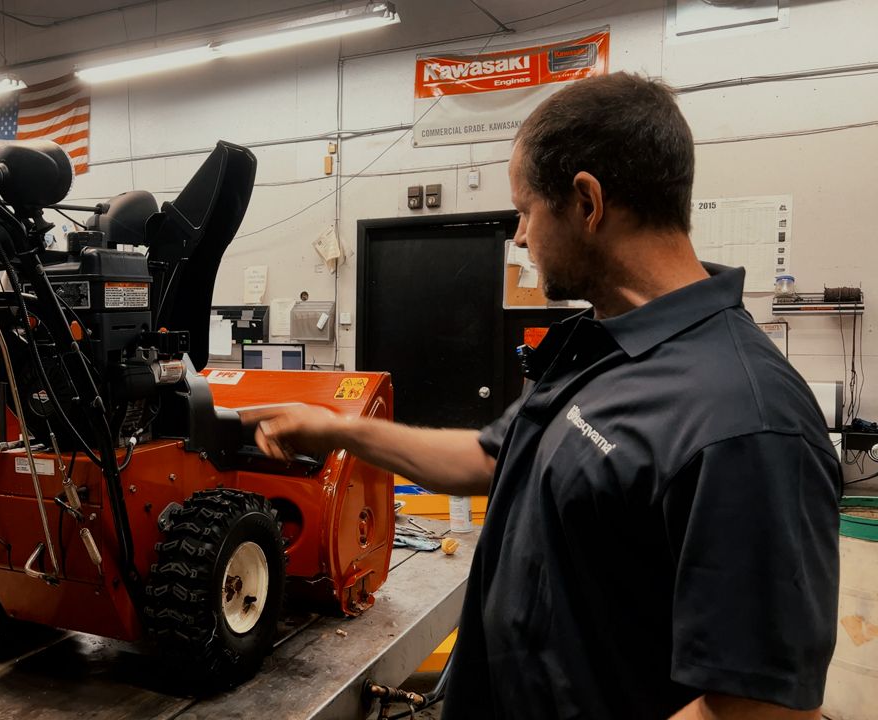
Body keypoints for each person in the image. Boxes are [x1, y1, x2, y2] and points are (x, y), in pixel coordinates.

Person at [249, 72, 840, 719]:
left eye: (526, 211)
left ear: (587, 202)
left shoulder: (744, 420)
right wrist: (336, 428)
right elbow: (486, 457)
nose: (522, 238)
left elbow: (760, 713)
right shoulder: (599, 349)